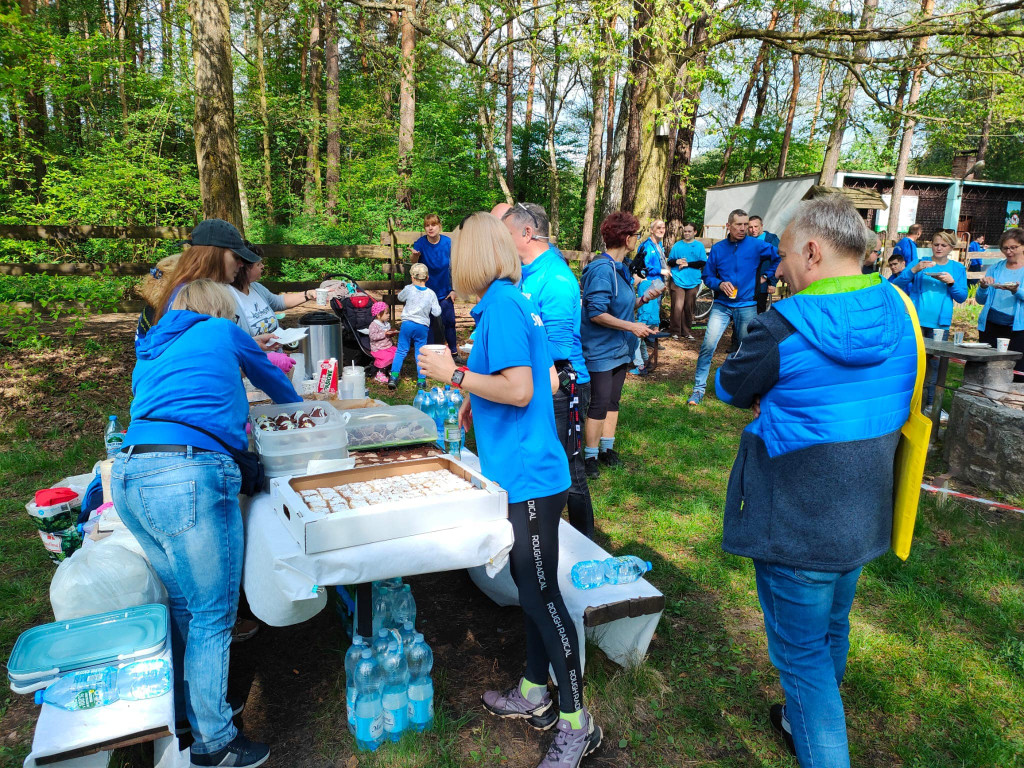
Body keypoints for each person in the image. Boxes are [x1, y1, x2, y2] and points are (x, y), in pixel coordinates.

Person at [714, 196, 918, 768]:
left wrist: (771, 398)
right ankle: (796, 720)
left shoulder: (780, 325)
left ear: (811, 250)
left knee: (802, 663)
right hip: (863, 514)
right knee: (831, 629)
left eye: (781, 256)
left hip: (796, 521)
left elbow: (729, 387)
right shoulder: (901, 311)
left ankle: (815, 735)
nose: (777, 269)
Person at [415, 212, 602, 768]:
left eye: (457, 250)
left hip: (529, 477)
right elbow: (535, 379)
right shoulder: (509, 301)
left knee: (542, 594)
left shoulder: (500, 304)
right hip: (524, 470)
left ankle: (577, 721)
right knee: (530, 587)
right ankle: (532, 689)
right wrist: (478, 386)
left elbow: (521, 390)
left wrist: (453, 375)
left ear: (472, 256)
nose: (450, 259)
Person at [111, 279, 301, 768]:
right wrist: (305, 414)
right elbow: (275, 384)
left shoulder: (152, 345)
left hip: (130, 476)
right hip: (188, 474)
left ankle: (185, 716)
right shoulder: (220, 330)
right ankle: (215, 743)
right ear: (219, 307)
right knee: (213, 612)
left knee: (182, 604)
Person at [501, 202, 596, 539]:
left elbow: (558, 347)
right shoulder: (524, 272)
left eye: (506, 233)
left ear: (527, 233)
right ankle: (546, 538)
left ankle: (586, 542)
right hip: (540, 381)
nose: (502, 240)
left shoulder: (555, 278)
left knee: (569, 468)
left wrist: (511, 350)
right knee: (542, 463)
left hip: (565, 386)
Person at [580, 211, 660, 479]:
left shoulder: (621, 269)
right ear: (626, 238)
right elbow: (596, 312)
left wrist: (643, 299)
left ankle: (606, 449)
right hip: (601, 351)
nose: (637, 239)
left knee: (613, 401)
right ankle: (589, 456)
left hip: (620, 349)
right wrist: (633, 327)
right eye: (635, 235)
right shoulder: (603, 271)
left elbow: (620, 309)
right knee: (599, 403)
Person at [687, 209, 778, 406]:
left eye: (746, 224)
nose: (744, 228)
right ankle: (698, 389)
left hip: (747, 306)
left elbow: (779, 256)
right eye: (739, 224)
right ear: (729, 225)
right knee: (707, 347)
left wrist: (768, 277)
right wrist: (719, 284)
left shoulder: (756, 245)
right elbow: (707, 276)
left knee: (748, 351)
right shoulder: (719, 249)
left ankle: (747, 392)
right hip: (721, 306)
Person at [892, 230, 968, 408]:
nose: (939, 248)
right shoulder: (921, 262)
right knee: (912, 362)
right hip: (917, 321)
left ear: (951, 247)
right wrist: (913, 270)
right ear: (931, 245)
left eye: (944, 245)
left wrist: (951, 282)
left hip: (939, 325)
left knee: (935, 366)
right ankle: (908, 403)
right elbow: (897, 284)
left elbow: (962, 297)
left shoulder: (957, 269)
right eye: (936, 244)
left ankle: (931, 405)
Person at [977, 228, 1024, 383]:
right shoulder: (996, 268)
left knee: (1017, 370)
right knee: (988, 368)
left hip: (1018, 328)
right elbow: (980, 300)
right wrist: (983, 287)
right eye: (1005, 248)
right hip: (991, 324)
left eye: (1013, 247)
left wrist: (1017, 291)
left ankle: (1013, 402)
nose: (1009, 251)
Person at [411, 214, 458, 357]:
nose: (430, 228)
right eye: (427, 225)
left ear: (439, 226)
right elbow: (414, 264)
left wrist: (454, 289)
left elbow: (455, 266)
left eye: (433, 225)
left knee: (449, 321)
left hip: (445, 291)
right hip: (427, 292)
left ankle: (454, 353)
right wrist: (415, 255)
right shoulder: (420, 242)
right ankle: (431, 356)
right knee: (429, 323)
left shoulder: (448, 242)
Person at [388, 262, 441, 389]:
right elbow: (437, 312)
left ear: (412, 277)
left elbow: (400, 297)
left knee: (401, 350)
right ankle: (421, 381)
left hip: (407, 324)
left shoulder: (409, 289)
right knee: (420, 353)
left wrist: (409, 287)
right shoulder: (431, 294)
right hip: (422, 326)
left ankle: (393, 378)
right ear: (427, 278)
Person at [666, 222, 706, 340]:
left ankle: (686, 331)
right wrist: (677, 261)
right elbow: (670, 261)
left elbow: (702, 262)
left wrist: (687, 264)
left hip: (693, 281)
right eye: (685, 231)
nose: (687, 233)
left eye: (689, 231)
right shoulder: (677, 245)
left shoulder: (699, 246)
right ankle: (675, 331)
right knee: (677, 306)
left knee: (689, 306)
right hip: (677, 279)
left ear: (695, 232)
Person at [367, 300, 399, 384]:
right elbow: (373, 336)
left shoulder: (386, 324)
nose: (389, 315)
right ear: (378, 314)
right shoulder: (373, 325)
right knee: (386, 357)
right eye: (386, 313)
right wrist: (384, 333)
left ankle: (389, 370)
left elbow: (387, 335)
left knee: (397, 353)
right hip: (378, 348)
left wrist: (391, 334)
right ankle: (380, 374)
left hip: (388, 346)